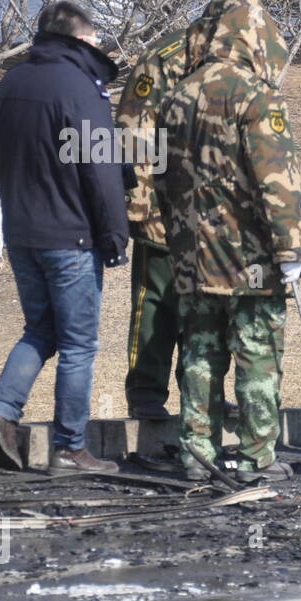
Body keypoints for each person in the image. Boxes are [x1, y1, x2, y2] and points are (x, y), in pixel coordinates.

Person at [157, 0, 301, 484]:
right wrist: (290, 249)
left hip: (191, 254)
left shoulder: (176, 94)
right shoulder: (257, 96)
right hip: (249, 258)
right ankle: (256, 456)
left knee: (199, 351)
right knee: (257, 353)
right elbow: (276, 180)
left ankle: (196, 451)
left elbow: (158, 175)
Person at [0, 1, 129, 474]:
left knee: (40, 330)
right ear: (81, 40)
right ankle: (70, 447)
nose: (101, 45)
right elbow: (101, 172)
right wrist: (116, 236)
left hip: (22, 232)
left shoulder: (11, 82)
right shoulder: (80, 89)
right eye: (96, 38)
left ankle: (2, 416)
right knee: (79, 344)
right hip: (71, 237)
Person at [116, 27, 188, 421]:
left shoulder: (237, 59)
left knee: (208, 312)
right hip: (162, 208)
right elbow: (132, 132)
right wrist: (139, 208)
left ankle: (202, 394)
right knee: (156, 306)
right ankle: (146, 395)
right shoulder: (165, 59)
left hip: (213, 218)